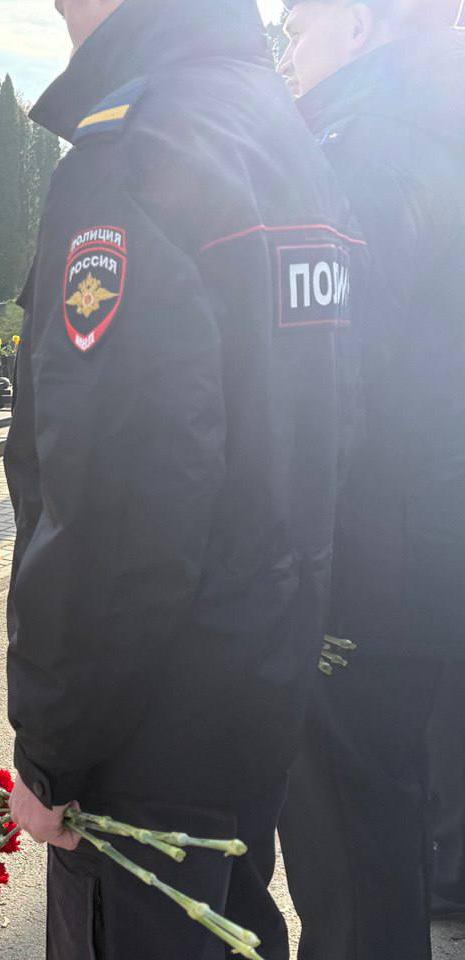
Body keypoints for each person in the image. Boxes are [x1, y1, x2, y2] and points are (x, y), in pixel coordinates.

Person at [3, 1, 363, 958]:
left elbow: (118, 508)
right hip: (259, 670)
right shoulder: (283, 137)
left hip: (151, 717)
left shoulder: (133, 156)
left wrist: (50, 750)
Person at [273, 3, 465, 957]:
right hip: (428, 540)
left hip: (368, 560)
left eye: (296, 21)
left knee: (350, 852)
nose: (285, 43)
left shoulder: (357, 156)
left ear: (357, 24)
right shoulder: (434, 130)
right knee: (390, 824)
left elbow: (334, 385)